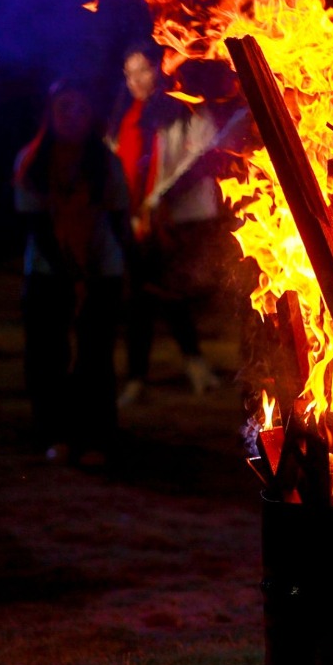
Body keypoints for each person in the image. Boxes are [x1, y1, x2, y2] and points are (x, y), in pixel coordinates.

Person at [17, 78, 130, 467]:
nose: (74, 116)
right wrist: (70, 273)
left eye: (82, 108)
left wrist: (116, 271)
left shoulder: (106, 162)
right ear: (49, 114)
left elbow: (118, 220)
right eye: (65, 107)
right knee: (47, 354)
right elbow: (36, 226)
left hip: (101, 269)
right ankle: (54, 433)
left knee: (95, 356)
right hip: (48, 270)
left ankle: (95, 437)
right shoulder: (31, 161)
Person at [110, 45, 227, 407]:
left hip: (177, 219)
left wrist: (161, 198)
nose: (135, 81)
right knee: (144, 296)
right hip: (135, 221)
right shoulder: (126, 116)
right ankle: (175, 369)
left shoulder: (183, 109)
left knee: (161, 293)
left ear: (159, 70)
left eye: (142, 71)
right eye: (129, 74)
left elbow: (201, 158)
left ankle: (157, 373)